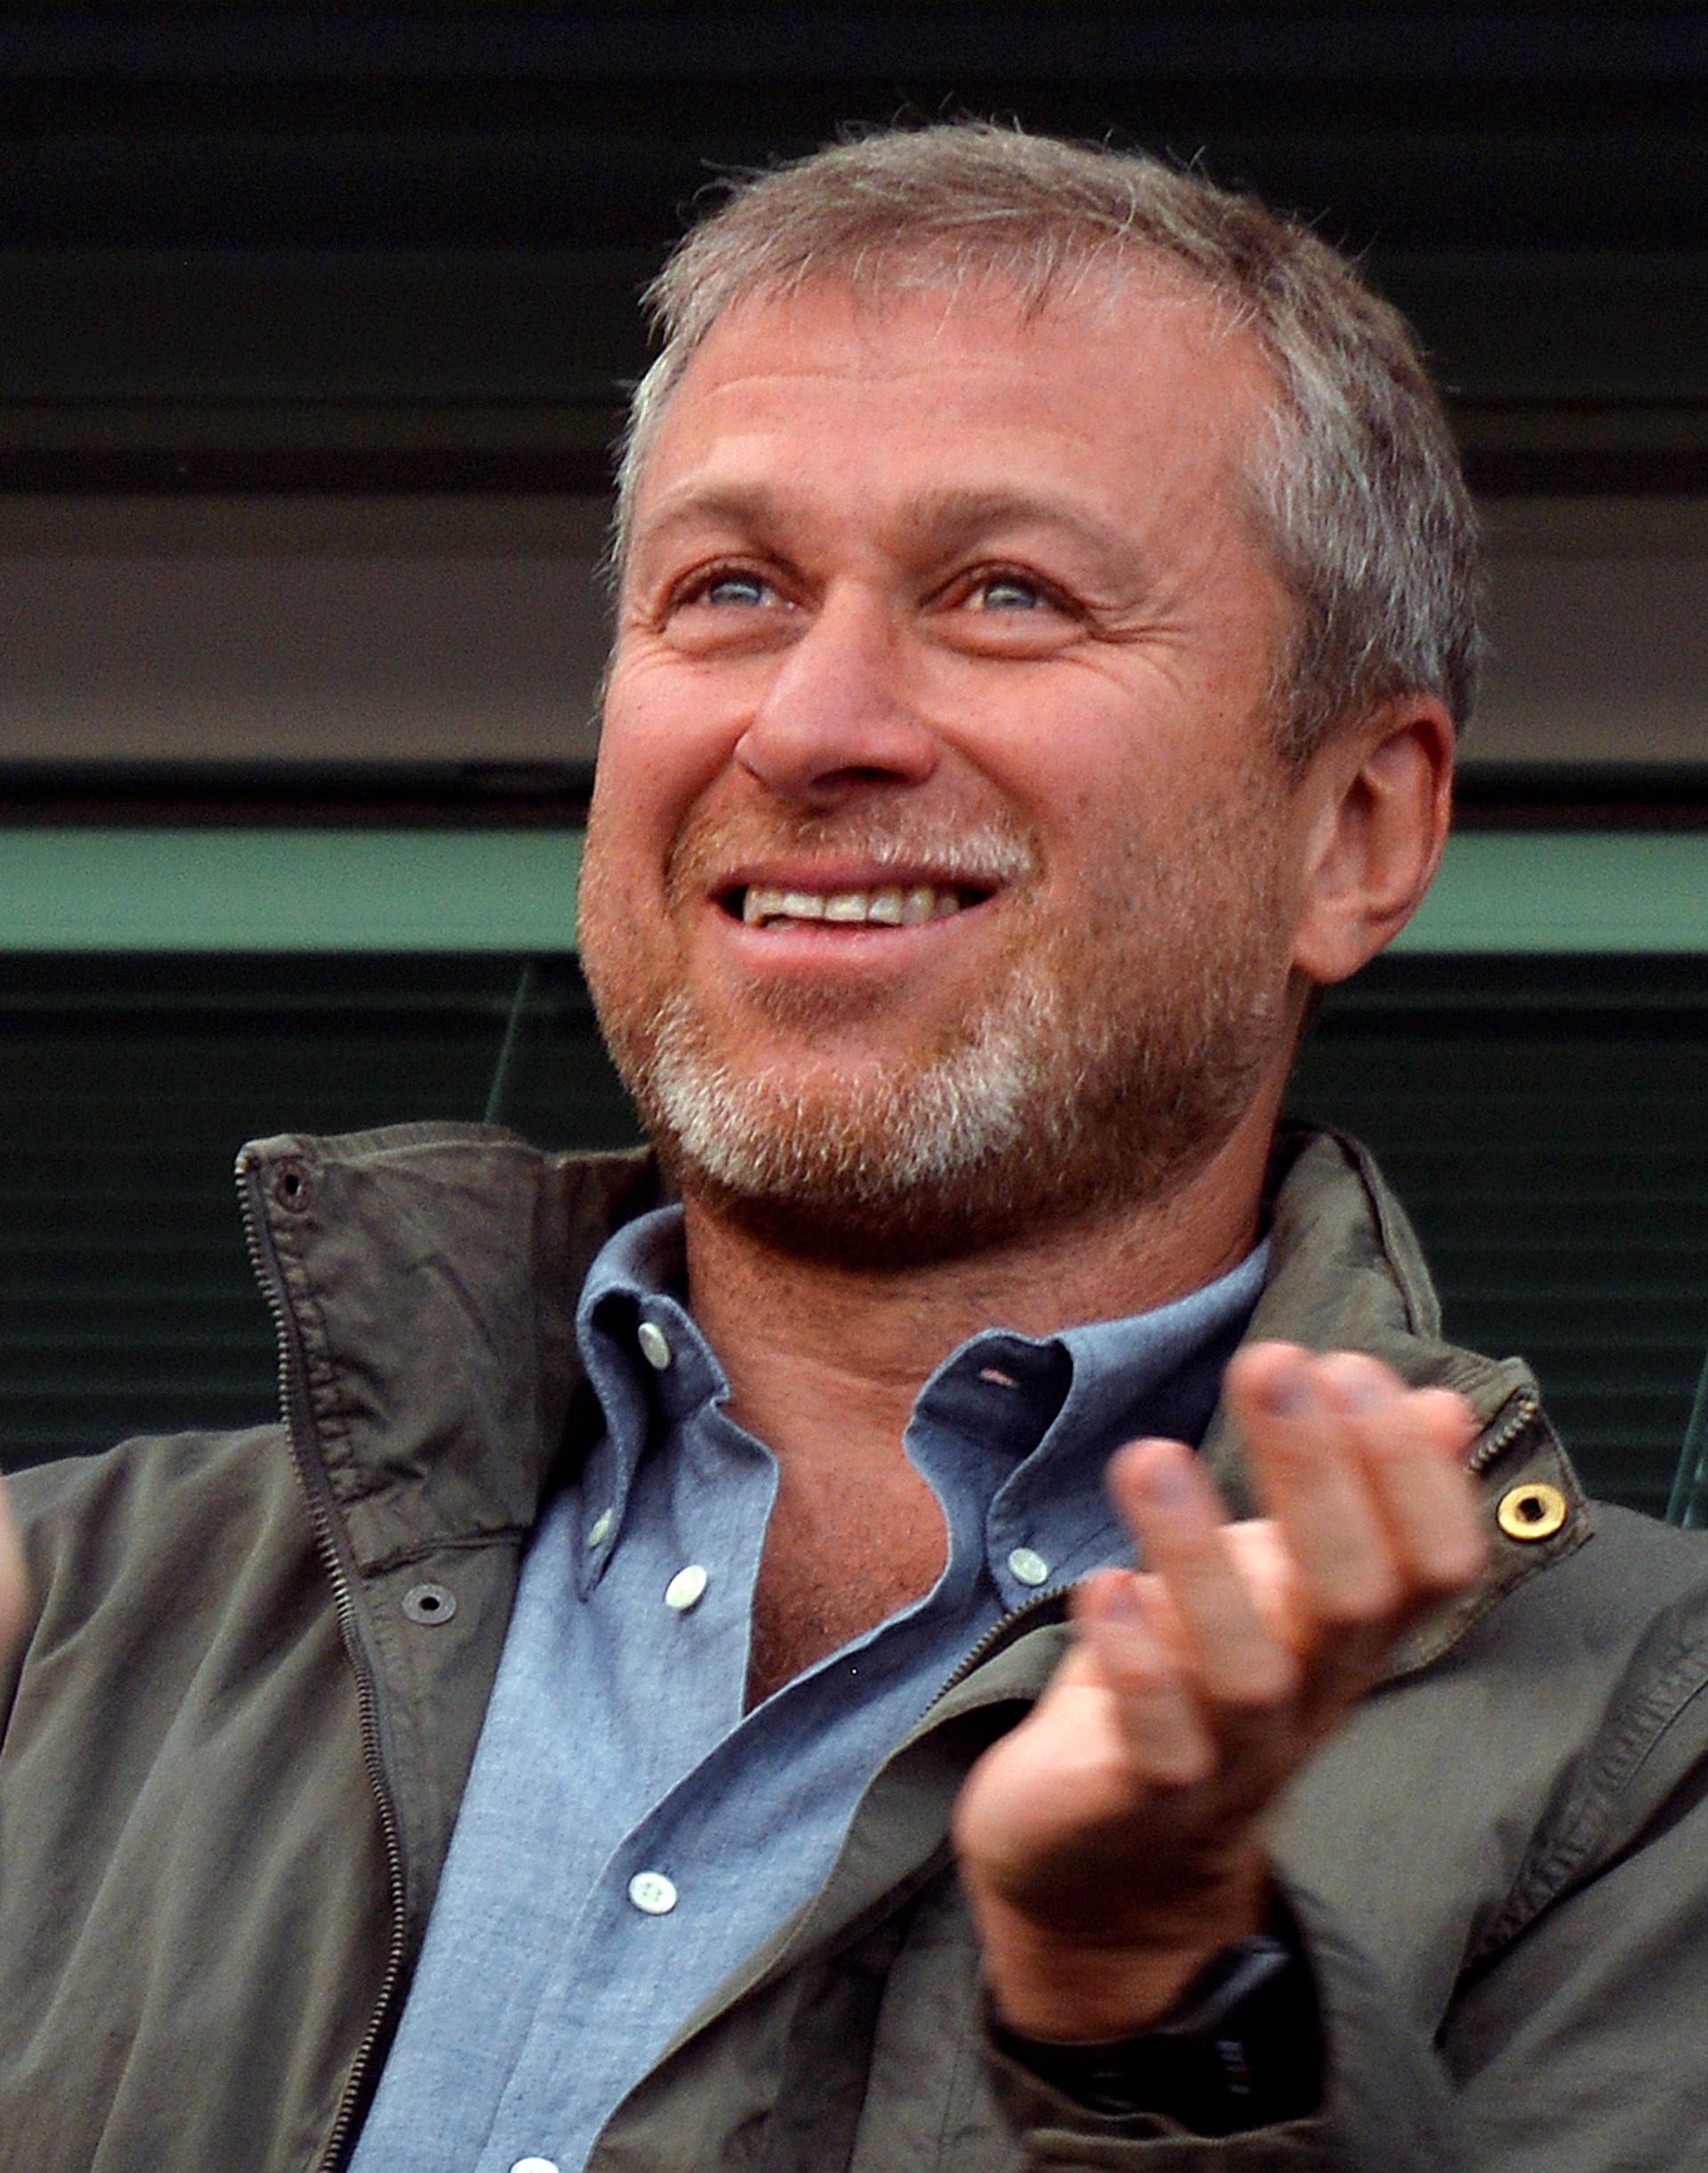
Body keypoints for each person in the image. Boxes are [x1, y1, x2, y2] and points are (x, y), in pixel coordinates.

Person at [4, 120, 1708, 2173]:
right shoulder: (66, 1626)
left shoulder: (1651, 1752)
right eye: (728, 587)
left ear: (1357, 830)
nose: (812, 724)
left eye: (1007, 593)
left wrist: (1169, 2012)